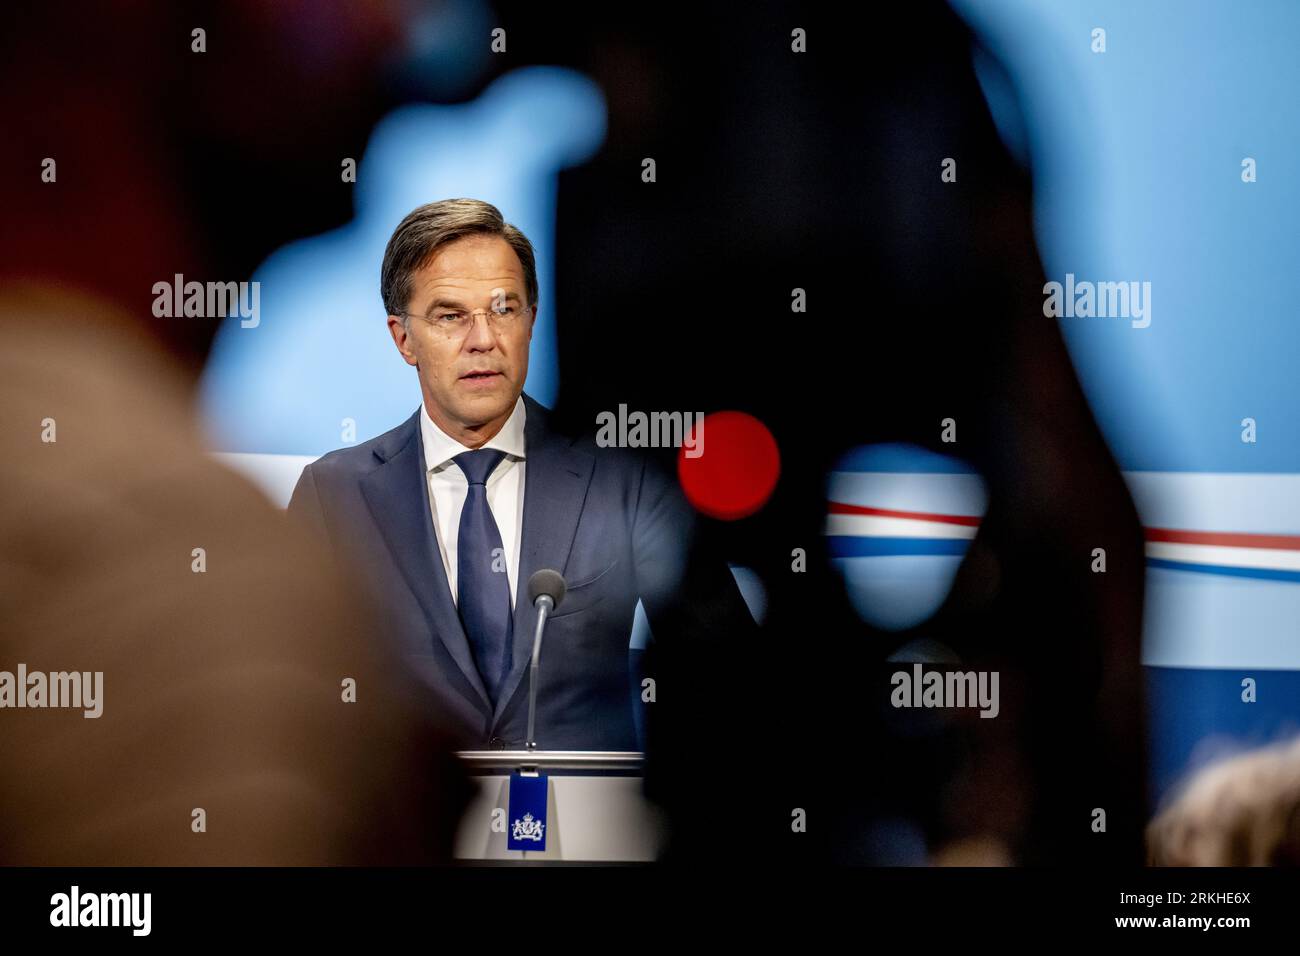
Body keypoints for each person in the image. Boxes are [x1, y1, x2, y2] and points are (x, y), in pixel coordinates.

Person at [288, 198, 754, 751]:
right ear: (403, 338)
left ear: (532, 319)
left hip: (587, 829)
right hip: (408, 830)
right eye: (450, 316)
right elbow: (286, 703)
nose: (483, 339)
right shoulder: (333, 495)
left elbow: (733, 680)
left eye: (504, 309)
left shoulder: (622, 480)